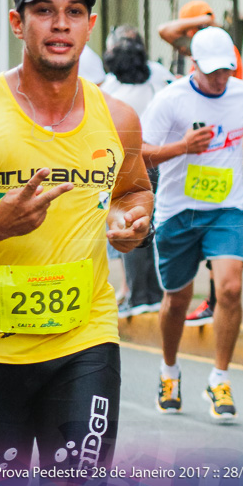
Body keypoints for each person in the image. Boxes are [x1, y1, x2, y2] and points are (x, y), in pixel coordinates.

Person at [0, 0, 152, 479]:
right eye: (44, 10)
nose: (60, 24)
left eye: (74, 11)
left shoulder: (118, 119)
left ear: (89, 25)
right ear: (18, 22)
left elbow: (135, 190)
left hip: (86, 342)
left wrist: (132, 219)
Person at [141, 26, 243, 421]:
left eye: (226, 70)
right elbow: (139, 155)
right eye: (212, 73)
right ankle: (169, 371)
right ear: (193, 65)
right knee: (177, 300)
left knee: (230, 289)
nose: (220, 79)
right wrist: (182, 147)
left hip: (226, 206)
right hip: (177, 209)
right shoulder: (170, 100)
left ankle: (220, 378)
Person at [102, 35, 173, 318]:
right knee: (149, 227)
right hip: (156, 164)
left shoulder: (111, 92)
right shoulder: (157, 80)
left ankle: (136, 294)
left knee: (128, 226)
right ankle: (153, 293)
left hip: (124, 166)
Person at [158, 0, 243, 79]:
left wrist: (206, 20)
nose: (183, 36)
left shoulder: (216, 48)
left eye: (184, 31)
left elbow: (164, 31)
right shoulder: (204, 51)